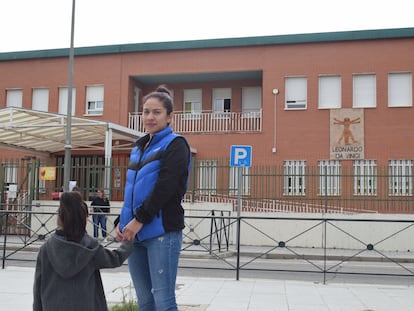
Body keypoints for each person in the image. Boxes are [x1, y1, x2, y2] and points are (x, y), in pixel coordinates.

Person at [116, 85, 191, 311]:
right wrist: (121, 221)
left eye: (156, 112)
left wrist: (138, 220)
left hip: (161, 232)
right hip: (134, 233)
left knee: (163, 300)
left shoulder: (176, 144)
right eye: (146, 111)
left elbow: (164, 189)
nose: (150, 117)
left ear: (169, 117)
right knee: (145, 302)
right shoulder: (138, 147)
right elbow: (131, 190)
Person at [33, 191, 133, 311]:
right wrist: (129, 243)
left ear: (60, 218)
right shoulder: (90, 247)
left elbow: (38, 287)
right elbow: (114, 259)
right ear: (83, 219)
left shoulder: (46, 249)